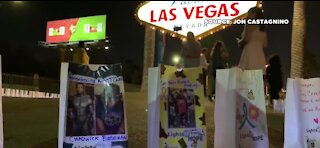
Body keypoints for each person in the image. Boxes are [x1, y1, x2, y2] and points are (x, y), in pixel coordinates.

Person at [237, 7, 268, 74]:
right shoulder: (263, 28)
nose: (247, 16)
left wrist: (239, 42)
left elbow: (246, 39)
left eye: (248, 14)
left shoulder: (249, 24)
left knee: (246, 78)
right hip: (259, 55)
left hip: (249, 53)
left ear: (254, 14)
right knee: (257, 79)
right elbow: (265, 44)